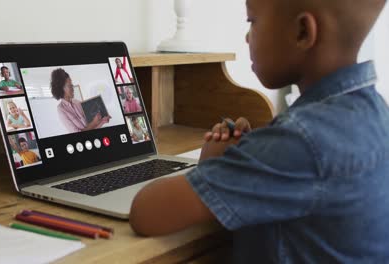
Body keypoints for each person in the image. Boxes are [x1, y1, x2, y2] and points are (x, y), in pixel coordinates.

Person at [129, 0, 389, 263]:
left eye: (252, 22)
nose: (246, 37)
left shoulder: (300, 140)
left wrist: (217, 166)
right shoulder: (376, 113)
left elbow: (146, 213)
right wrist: (250, 156)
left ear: (302, 32)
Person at [51, 68, 110, 133]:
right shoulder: (61, 109)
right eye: (69, 86)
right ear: (62, 88)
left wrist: (102, 121)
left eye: (72, 85)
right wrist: (94, 122)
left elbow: (90, 127)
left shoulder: (77, 102)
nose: (73, 88)